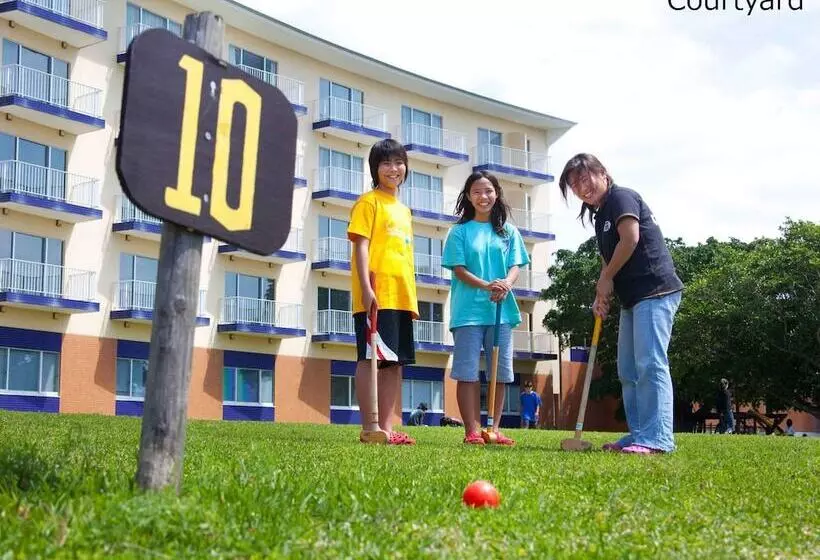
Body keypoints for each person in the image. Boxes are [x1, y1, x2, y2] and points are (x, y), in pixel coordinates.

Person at [558, 154, 684, 454]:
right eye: (575, 185)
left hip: (654, 290)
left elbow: (630, 239)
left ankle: (657, 439)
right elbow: (608, 259)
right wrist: (602, 292)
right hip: (632, 299)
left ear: (603, 173)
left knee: (650, 364)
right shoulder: (600, 215)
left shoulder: (621, 197)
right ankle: (640, 433)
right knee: (627, 369)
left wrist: (606, 277)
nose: (582, 188)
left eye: (586, 178)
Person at [442, 170, 529, 446]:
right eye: (477, 191)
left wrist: (505, 284)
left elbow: (516, 265)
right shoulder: (459, 232)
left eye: (488, 191)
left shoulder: (508, 231)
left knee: (500, 371)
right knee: (467, 371)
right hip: (468, 312)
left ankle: (494, 428)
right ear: (468, 196)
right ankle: (471, 430)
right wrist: (486, 285)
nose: (484, 196)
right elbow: (458, 269)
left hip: (501, 310)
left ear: (497, 193)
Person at [348, 138, 418, 445]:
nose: (394, 168)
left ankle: (387, 429)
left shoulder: (404, 210)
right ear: (375, 169)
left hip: (401, 296)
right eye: (386, 163)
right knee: (369, 359)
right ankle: (370, 428)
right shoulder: (368, 201)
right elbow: (361, 247)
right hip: (377, 292)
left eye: (399, 162)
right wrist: (366, 288)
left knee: (394, 363)